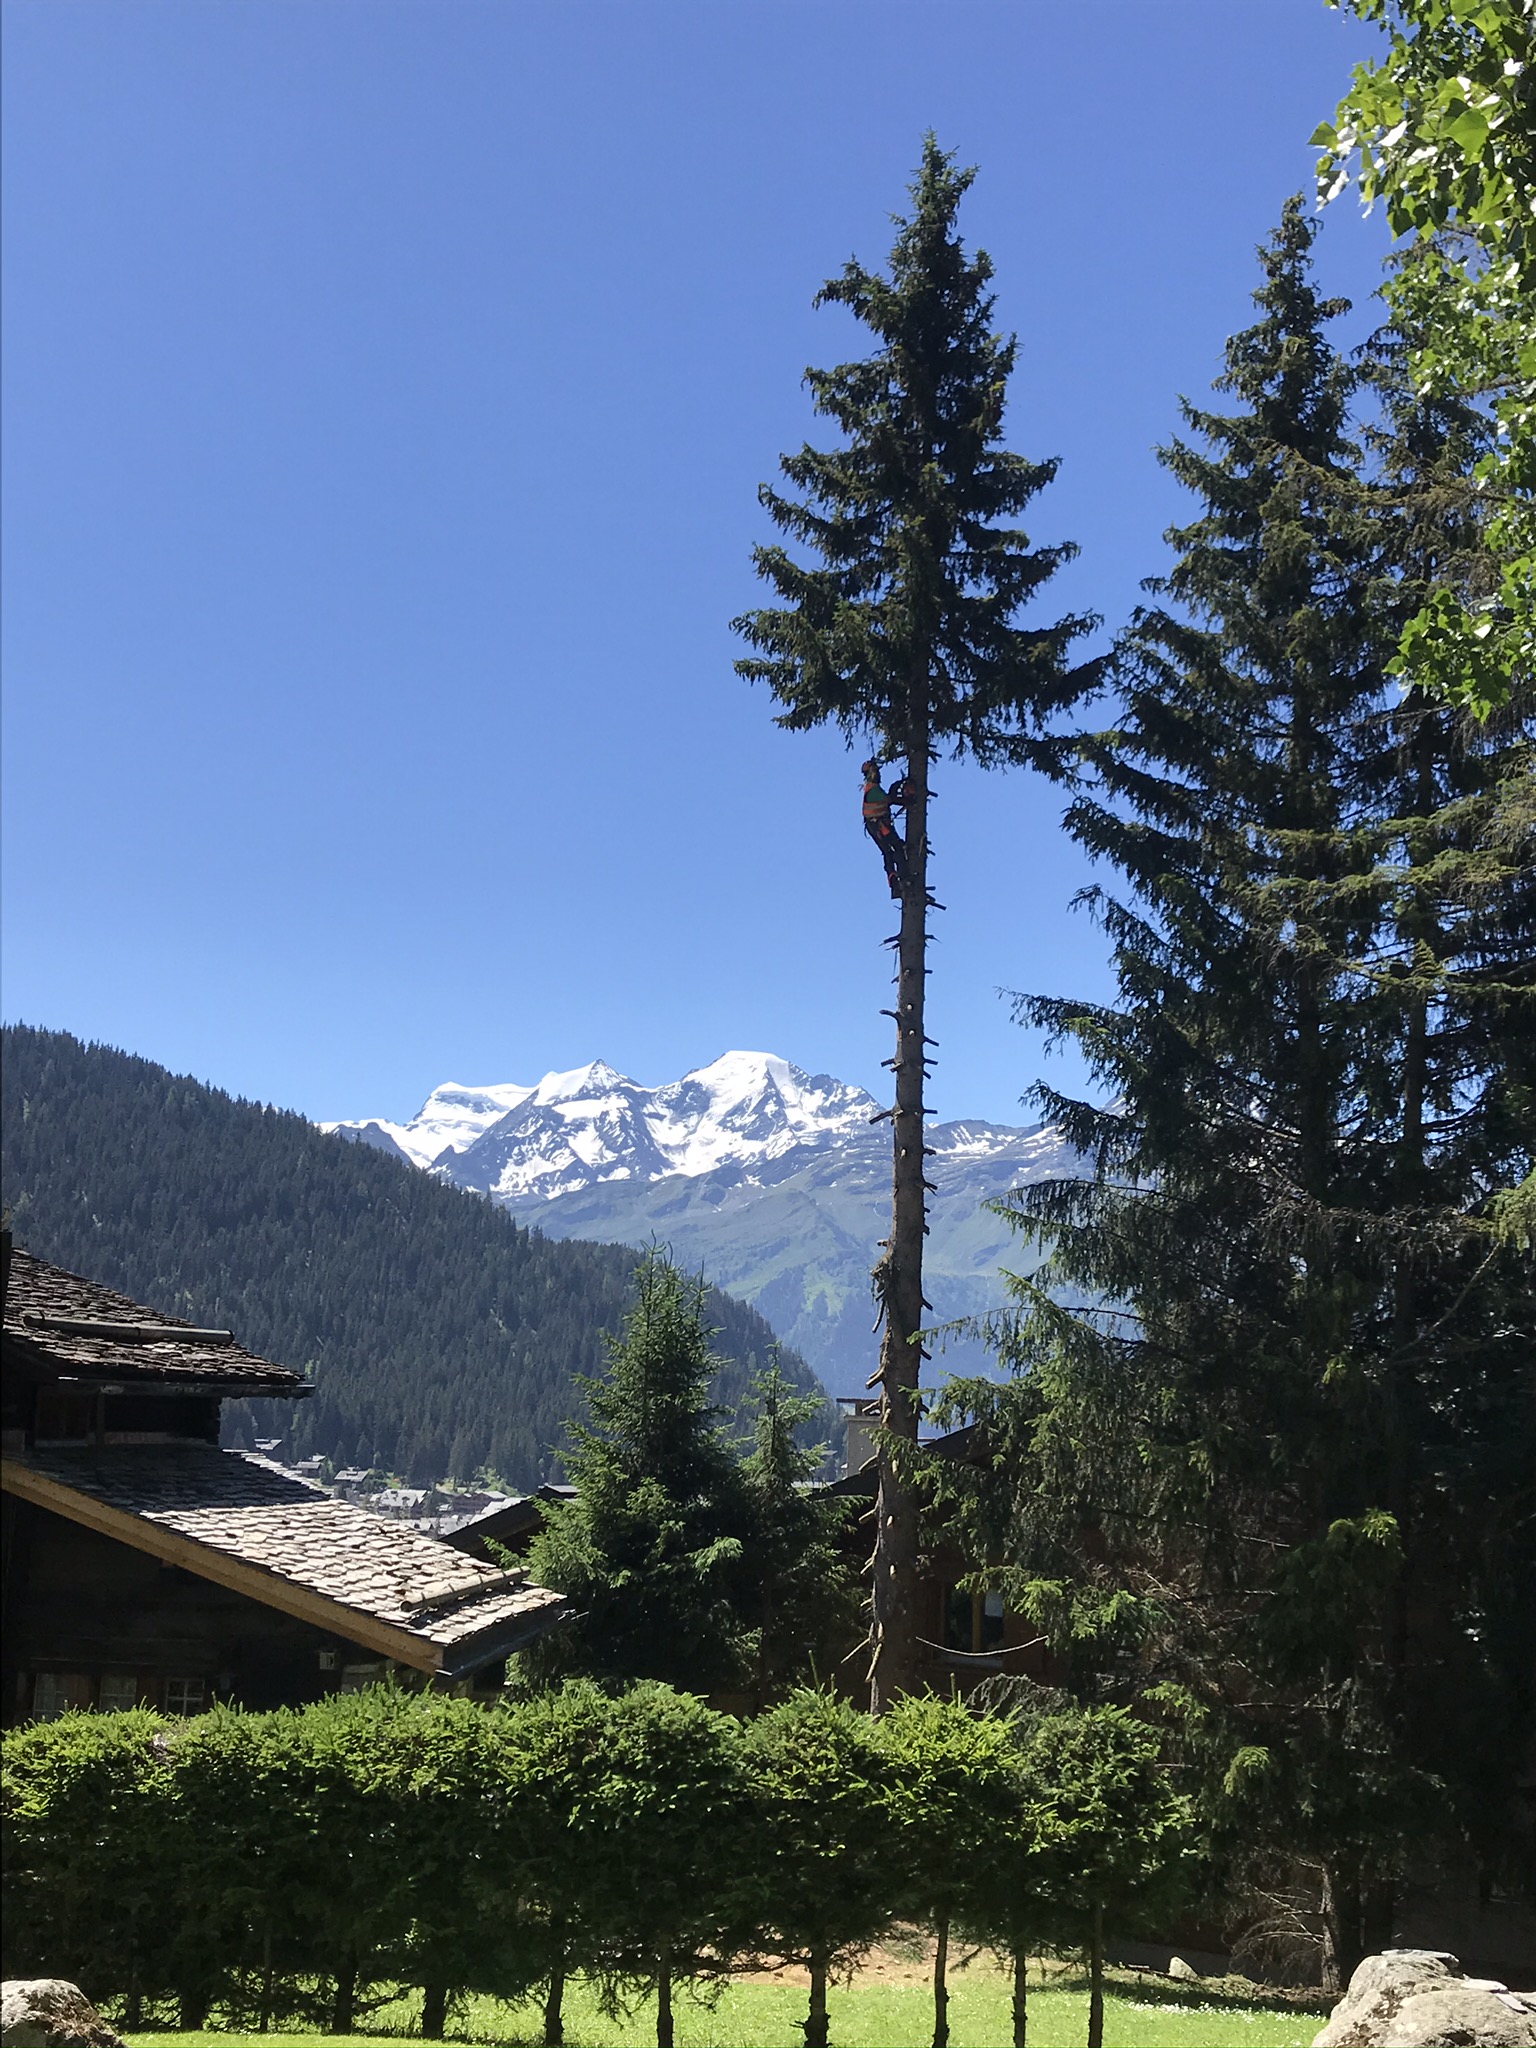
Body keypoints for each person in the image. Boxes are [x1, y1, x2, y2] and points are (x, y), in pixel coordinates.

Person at [861, 759, 909, 898]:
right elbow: (890, 800)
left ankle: (896, 880)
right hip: (879, 826)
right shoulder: (873, 789)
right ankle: (903, 877)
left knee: (889, 852)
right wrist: (905, 798)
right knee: (897, 848)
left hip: (877, 825)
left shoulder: (872, 788)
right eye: (876, 771)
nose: (879, 774)